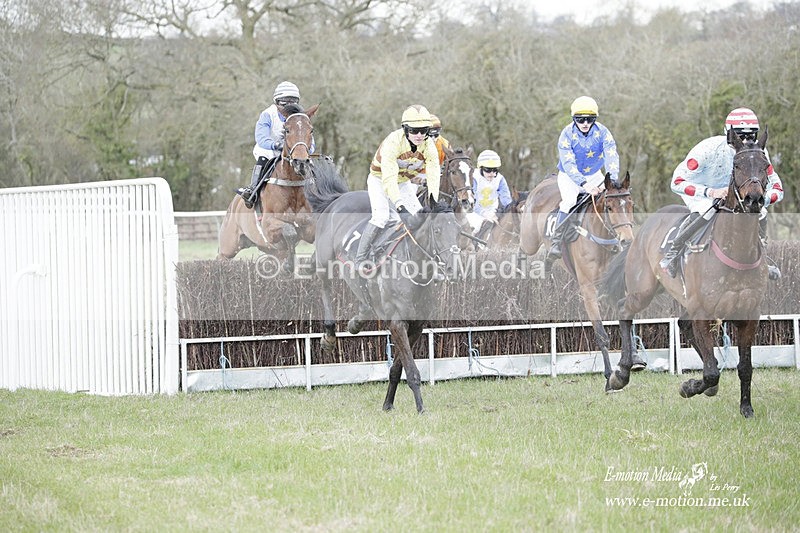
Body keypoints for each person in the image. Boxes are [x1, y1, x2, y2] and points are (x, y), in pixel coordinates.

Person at [660, 107, 784, 278]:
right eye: (741, 136)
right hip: (702, 190)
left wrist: (764, 198)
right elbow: (677, 182)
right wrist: (711, 192)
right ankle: (673, 252)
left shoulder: (758, 153)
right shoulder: (707, 149)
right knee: (708, 209)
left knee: (760, 211)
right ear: (730, 135)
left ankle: (762, 256)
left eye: (751, 135)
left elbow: (778, 188)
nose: (746, 141)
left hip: (737, 194)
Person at [354, 105, 441, 273]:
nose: (419, 135)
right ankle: (360, 258)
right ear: (405, 129)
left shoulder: (429, 145)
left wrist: (433, 201)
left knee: (421, 218)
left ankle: (429, 263)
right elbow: (388, 180)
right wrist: (400, 207)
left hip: (403, 182)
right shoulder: (393, 141)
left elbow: (433, 174)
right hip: (380, 179)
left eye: (424, 131)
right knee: (382, 217)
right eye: (414, 131)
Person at [548, 96, 620, 259]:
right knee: (570, 201)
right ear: (574, 119)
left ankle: (613, 238)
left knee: (609, 199)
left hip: (595, 174)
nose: (585, 123)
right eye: (581, 120)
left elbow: (611, 155)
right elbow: (568, 163)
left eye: (590, 119)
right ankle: (556, 242)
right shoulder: (566, 134)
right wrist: (584, 184)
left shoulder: (603, 132)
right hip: (569, 177)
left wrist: (612, 180)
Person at [236, 81, 314, 208]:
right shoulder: (267, 114)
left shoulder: (301, 117)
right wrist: (276, 145)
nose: (288, 106)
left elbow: (310, 140)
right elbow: (261, 138)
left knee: (309, 165)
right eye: (284, 102)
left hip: (293, 152)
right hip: (269, 151)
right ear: (276, 102)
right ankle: (252, 190)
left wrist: (306, 150)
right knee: (263, 160)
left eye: (292, 101)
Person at [466, 149, 513, 242]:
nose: (492, 173)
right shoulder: (473, 177)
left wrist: (510, 211)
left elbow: (506, 200)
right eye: (488, 170)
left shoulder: (500, 179)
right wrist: (484, 213)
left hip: (493, 212)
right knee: (476, 226)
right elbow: (472, 201)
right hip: (474, 212)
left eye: (495, 170)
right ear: (481, 168)